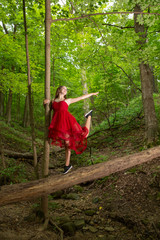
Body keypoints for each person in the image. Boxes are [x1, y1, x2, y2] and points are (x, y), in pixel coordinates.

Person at [44, 86, 99, 174]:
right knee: (66, 143)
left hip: (68, 122)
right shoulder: (53, 101)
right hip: (59, 125)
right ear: (59, 90)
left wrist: (91, 94)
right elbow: (48, 111)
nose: (66, 90)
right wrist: (45, 103)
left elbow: (80, 98)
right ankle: (67, 165)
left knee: (83, 135)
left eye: (66, 89)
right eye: (64, 88)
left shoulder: (67, 100)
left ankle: (89, 116)